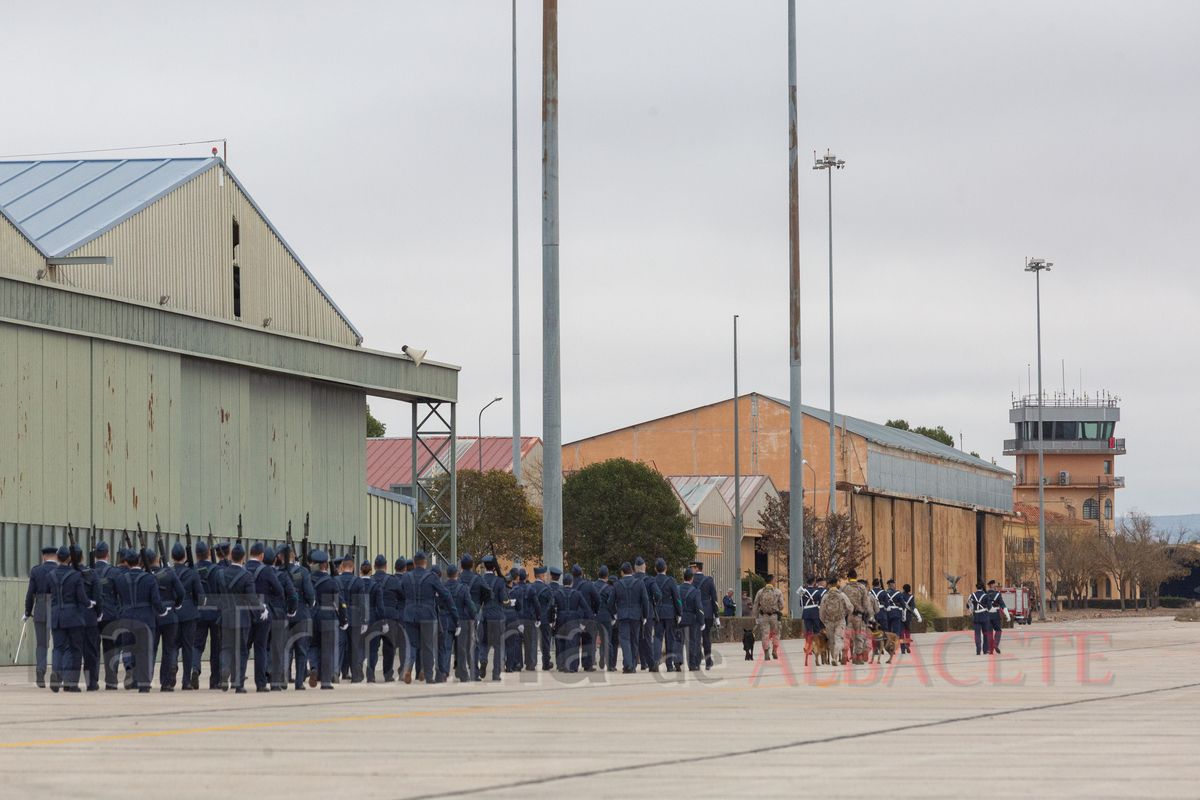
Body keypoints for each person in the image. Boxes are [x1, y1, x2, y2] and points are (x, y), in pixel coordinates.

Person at [399, 550, 457, 685]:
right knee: (428, 646)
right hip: (428, 615)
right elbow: (444, 594)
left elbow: (400, 591)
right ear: (425, 563)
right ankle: (429, 676)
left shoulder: (406, 577)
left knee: (412, 644)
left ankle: (408, 667)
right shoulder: (432, 577)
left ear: (413, 563)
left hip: (410, 614)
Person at [115, 549, 166, 692]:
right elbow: (156, 600)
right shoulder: (149, 578)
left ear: (126, 562)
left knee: (128, 647)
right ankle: (143, 684)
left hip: (126, 617)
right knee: (144, 651)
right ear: (139, 561)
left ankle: (129, 667)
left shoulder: (121, 578)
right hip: (145, 618)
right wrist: (162, 611)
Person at [213, 542, 255, 693]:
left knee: (226, 647)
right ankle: (238, 683)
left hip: (226, 615)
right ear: (244, 558)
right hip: (242, 617)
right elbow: (252, 599)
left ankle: (224, 669)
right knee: (241, 650)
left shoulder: (220, 573)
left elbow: (217, 594)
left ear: (231, 556)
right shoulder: (247, 576)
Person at [48, 546, 91, 692]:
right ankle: (70, 681)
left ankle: (56, 672)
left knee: (58, 648)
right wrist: (89, 603)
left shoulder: (50, 575)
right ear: (70, 559)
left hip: (57, 616)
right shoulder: (76, 575)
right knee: (75, 649)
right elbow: (82, 598)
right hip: (73, 617)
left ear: (57, 558)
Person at [307, 550, 347, 689]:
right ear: (325, 565)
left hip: (311, 616)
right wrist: (344, 619)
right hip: (327, 618)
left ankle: (313, 668)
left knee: (313, 646)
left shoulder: (308, 578)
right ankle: (325, 681)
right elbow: (339, 602)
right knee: (327, 649)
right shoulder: (331, 582)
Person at [23, 545, 59, 688]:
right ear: (56, 557)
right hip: (56, 607)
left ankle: (40, 670)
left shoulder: (36, 571)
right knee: (58, 644)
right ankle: (56, 672)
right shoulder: (59, 570)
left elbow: (30, 593)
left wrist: (27, 611)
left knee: (42, 644)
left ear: (43, 557)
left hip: (40, 608)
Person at [170, 543, 205, 691]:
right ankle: (186, 681)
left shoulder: (168, 572)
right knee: (188, 647)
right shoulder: (192, 573)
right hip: (189, 613)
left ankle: (172, 666)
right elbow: (200, 596)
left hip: (172, 612)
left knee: (172, 645)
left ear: (172, 556)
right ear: (184, 556)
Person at [150, 548, 185, 691]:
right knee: (167, 650)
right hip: (170, 615)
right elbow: (181, 592)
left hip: (152, 615)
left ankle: (146, 680)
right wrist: (176, 603)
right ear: (157, 560)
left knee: (151, 649)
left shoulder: (145, 575)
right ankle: (165, 683)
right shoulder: (169, 573)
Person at [607, 562, 650, 673]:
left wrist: (615, 613)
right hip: (636, 615)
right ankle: (633, 664)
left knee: (625, 640)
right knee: (634, 640)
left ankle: (628, 664)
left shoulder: (617, 584)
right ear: (632, 571)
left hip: (622, 615)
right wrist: (645, 615)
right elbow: (645, 601)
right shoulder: (639, 583)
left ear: (622, 572)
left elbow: (610, 602)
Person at [281, 547, 315, 689]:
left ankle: (285, 678)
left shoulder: (279, 572)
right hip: (301, 614)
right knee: (301, 650)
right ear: (293, 555)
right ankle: (299, 682)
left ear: (280, 557)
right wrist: (310, 603)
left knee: (286, 648)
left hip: (285, 614)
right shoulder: (303, 572)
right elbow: (309, 593)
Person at [92, 541, 123, 690]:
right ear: (108, 554)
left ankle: (93, 680)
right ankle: (111, 681)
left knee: (93, 648)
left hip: (93, 614)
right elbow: (120, 593)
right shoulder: (114, 572)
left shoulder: (89, 571)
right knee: (110, 648)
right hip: (110, 614)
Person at [191, 540, 222, 690]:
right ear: (209, 554)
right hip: (215, 612)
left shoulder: (193, 570)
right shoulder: (216, 570)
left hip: (199, 612)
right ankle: (214, 680)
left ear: (196, 555)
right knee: (216, 648)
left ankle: (195, 669)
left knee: (197, 645)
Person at [336, 555, 367, 683]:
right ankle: (355, 675)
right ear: (353, 567)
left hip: (340, 617)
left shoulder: (336, 580)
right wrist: (364, 620)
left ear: (342, 567)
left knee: (339, 646)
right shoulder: (358, 582)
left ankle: (335, 672)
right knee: (354, 647)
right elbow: (362, 603)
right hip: (354, 618)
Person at [445, 564, 478, 681]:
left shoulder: (443, 587)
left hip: (447, 620)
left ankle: (444, 672)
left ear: (446, 575)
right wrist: (475, 617)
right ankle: (463, 674)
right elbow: (470, 605)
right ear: (457, 575)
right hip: (462, 620)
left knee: (447, 648)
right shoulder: (463, 588)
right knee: (462, 649)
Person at [477, 556, 508, 680]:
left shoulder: (480, 580)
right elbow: (504, 599)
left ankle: (483, 660)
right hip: (497, 616)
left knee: (484, 642)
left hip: (485, 615)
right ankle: (496, 674)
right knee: (498, 645)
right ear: (494, 567)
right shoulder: (500, 581)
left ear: (484, 566)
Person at [459, 553, 487, 681]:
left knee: (459, 643)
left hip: (459, 613)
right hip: (474, 612)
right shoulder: (479, 579)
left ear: (461, 566)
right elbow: (488, 593)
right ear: (473, 565)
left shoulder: (457, 578)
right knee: (474, 644)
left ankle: (460, 671)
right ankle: (474, 673)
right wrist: (480, 602)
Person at [650, 558, 682, 671]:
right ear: (666, 568)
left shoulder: (652, 581)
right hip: (670, 613)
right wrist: (679, 612)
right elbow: (677, 598)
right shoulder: (671, 581)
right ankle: (669, 665)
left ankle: (656, 661)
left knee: (657, 637)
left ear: (655, 569)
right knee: (670, 639)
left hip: (657, 613)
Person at [378, 558, 405, 682]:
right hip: (392, 616)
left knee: (372, 646)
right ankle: (388, 674)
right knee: (390, 646)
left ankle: (369, 673)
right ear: (386, 566)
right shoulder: (393, 581)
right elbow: (402, 596)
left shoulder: (372, 579)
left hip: (375, 615)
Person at [840, 571, 875, 664]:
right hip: (859, 616)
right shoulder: (862, 587)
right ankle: (857, 657)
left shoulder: (843, 587)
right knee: (859, 636)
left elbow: (840, 601)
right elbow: (865, 603)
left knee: (846, 636)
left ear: (848, 577)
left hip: (847, 616)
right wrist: (864, 612)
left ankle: (844, 656)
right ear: (856, 576)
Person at [365, 555, 390, 682]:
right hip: (378, 618)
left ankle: (366, 671)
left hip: (365, 618)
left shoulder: (369, 580)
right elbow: (380, 605)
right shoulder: (391, 580)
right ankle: (379, 674)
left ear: (374, 567)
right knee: (379, 647)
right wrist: (384, 622)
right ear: (386, 566)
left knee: (368, 648)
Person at [573, 564, 601, 671]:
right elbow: (598, 599)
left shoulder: (569, 585)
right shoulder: (588, 585)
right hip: (587, 616)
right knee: (589, 640)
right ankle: (587, 664)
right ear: (582, 573)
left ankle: (573, 665)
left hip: (574, 616)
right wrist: (594, 610)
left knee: (573, 641)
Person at [818, 577, 852, 665]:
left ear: (829, 585)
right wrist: (845, 615)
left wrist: (824, 621)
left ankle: (834, 657)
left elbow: (821, 611)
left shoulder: (826, 596)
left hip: (829, 621)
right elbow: (850, 607)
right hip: (840, 620)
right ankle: (835, 656)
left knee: (831, 640)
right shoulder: (841, 595)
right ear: (836, 584)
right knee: (839, 639)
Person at [691, 561, 719, 670]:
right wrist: (716, 615)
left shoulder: (691, 581)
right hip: (707, 612)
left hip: (695, 612)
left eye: (693, 568)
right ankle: (708, 661)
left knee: (696, 637)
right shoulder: (709, 580)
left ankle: (697, 661)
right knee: (706, 637)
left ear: (697, 568)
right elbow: (715, 599)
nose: (691, 570)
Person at [632, 557, 659, 670]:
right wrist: (652, 603)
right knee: (647, 638)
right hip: (648, 612)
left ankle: (635, 663)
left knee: (636, 638)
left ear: (634, 568)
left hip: (635, 611)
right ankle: (648, 662)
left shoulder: (632, 579)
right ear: (645, 567)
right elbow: (658, 594)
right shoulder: (650, 580)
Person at [751, 574, 785, 661]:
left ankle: (766, 652)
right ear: (772, 581)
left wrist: (756, 617)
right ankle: (775, 650)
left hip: (763, 616)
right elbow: (782, 606)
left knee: (765, 635)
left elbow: (755, 606)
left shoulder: (760, 592)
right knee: (776, 634)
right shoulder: (777, 591)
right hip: (774, 616)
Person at [677, 568, 704, 671]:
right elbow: (699, 608)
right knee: (691, 642)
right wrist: (701, 621)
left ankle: (677, 661)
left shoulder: (677, 588)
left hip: (679, 618)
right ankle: (692, 664)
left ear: (683, 577)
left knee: (678, 640)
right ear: (692, 579)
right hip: (691, 620)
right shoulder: (695, 591)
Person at [432, 564, 455, 681]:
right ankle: (442, 671)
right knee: (443, 648)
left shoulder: (429, 588)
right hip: (444, 619)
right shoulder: (443, 588)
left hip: (431, 619)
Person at [531, 566, 554, 670]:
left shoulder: (530, 587)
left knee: (532, 640)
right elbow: (551, 604)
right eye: (545, 576)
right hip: (544, 617)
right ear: (541, 576)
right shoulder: (547, 589)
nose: (546, 578)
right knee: (545, 641)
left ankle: (531, 661)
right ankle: (546, 663)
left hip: (532, 616)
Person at [593, 566, 614, 671]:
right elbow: (611, 604)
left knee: (592, 639)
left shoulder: (592, 586)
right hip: (605, 617)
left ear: (598, 574)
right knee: (607, 640)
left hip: (594, 616)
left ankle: (591, 661)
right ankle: (610, 665)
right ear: (607, 576)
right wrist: (613, 616)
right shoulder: (609, 588)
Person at [797, 577, 826, 648]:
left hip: (806, 613)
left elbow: (801, 604)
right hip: (815, 613)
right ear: (813, 583)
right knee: (816, 630)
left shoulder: (803, 593)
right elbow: (820, 602)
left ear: (807, 584)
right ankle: (815, 645)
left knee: (808, 630)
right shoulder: (817, 592)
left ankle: (808, 646)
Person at [985, 580, 1012, 654]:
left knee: (989, 632)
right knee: (998, 630)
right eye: (994, 585)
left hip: (987, 615)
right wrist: (1007, 615)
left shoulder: (985, 595)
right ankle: (995, 643)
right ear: (992, 585)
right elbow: (1003, 606)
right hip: (996, 614)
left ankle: (990, 649)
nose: (995, 586)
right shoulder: (998, 595)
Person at [967, 582, 991, 656]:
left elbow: (968, 605)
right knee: (986, 633)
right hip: (984, 616)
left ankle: (978, 650)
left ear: (976, 588)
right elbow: (989, 607)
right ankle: (985, 650)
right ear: (982, 588)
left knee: (977, 634)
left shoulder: (972, 595)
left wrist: (971, 610)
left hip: (976, 616)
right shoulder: (986, 596)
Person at [898, 583, 921, 654]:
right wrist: (918, 616)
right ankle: (907, 644)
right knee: (907, 630)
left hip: (900, 614)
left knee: (901, 631)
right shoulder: (911, 597)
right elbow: (913, 607)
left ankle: (902, 646)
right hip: (908, 615)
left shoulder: (900, 595)